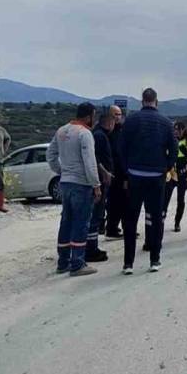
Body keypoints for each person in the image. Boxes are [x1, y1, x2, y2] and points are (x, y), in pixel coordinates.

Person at [120, 88, 176, 274]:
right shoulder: (166, 123)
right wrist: (165, 168)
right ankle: (155, 260)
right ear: (156, 101)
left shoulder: (131, 120)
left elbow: (122, 148)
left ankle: (128, 264)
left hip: (135, 175)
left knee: (131, 219)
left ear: (142, 101)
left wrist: (127, 170)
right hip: (156, 177)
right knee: (155, 219)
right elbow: (174, 151)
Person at [47, 103, 102, 277]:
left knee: (66, 222)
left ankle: (63, 262)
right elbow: (89, 162)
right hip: (81, 184)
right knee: (81, 223)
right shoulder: (85, 134)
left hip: (65, 183)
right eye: (94, 116)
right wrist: (96, 185)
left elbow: (50, 155)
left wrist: (61, 171)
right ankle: (77, 263)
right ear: (89, 116)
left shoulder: (62, 131)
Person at [86, 109, 115, 262]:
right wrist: (105, 173)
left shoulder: (98, 134)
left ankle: (92, 247)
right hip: (99, 182)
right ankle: (91, 249)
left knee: (97, 215)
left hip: (100, 180)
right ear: (109, 122)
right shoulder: (99, 136)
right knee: (95, 215)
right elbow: (95, 159)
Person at [104, 105, 127, 240]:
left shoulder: (123, 130)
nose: (118, 117)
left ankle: (124, 228)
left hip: (122, 172)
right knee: (113, 203)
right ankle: (111, 228)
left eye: (119, 114)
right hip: (111, 173)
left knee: (124, 202)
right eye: (115, 114)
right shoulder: (107, 132)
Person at [170, 122, 187, 232]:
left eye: (178, 129)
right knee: (165, 198)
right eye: (174, 129)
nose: (175, 131)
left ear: (183, 130)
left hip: (183, 175)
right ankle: (161, 218)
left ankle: (177, 222)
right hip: (172, 173)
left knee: (180, 199)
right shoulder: (171, 140)